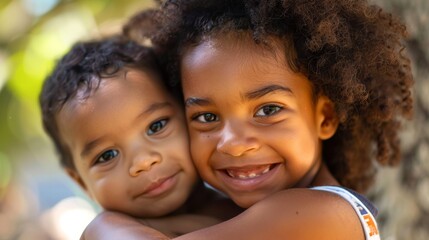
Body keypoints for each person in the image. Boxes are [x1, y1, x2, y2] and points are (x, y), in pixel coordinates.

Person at [81, 0, 414, 239]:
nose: (235, 144)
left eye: (268, 110)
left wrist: (101, 226)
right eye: (207, 117)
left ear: (324, 117)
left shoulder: (328, 214)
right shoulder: (232, 217)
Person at [39, 36, 241, 239]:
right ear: (82, 183)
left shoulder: (248, 194)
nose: (143, 162)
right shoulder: (108, 231)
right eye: (107, 155)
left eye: (156, 126)